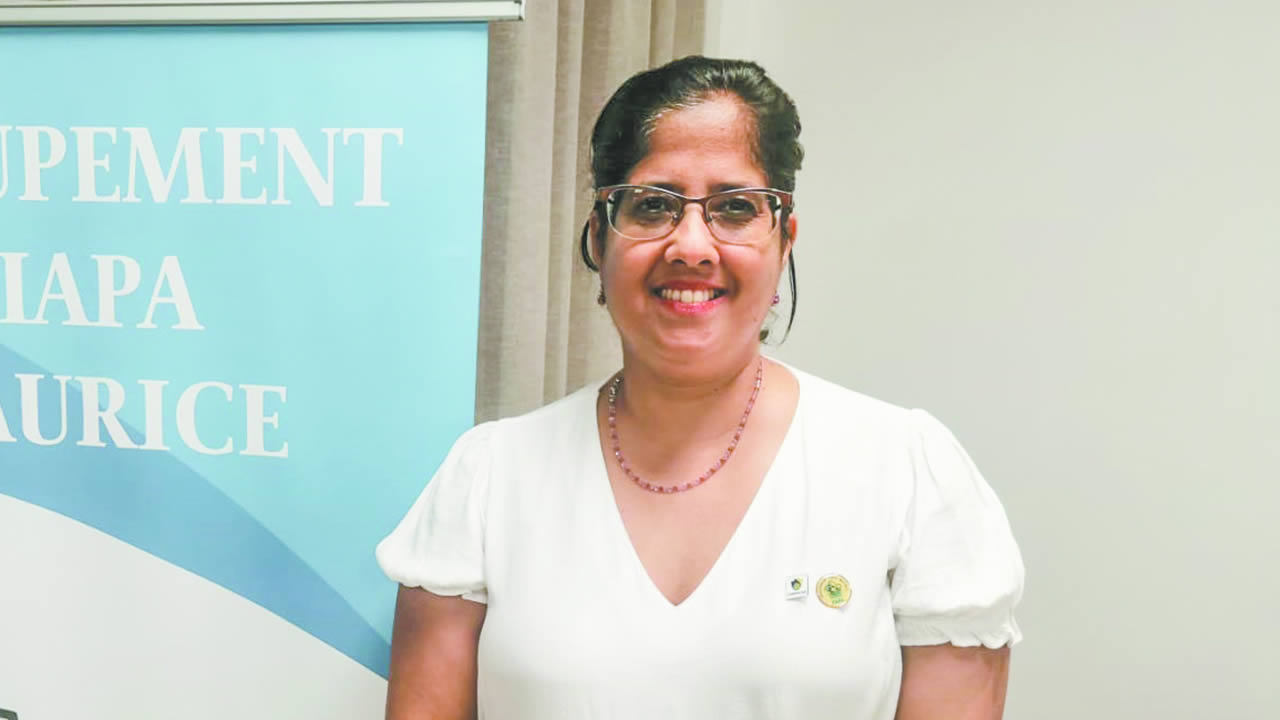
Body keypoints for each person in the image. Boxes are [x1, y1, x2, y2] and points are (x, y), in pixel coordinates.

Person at [376, 56, 1024, 720]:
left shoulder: (906, 472)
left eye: (735, 208)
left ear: (785, 240)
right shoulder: (489, 478)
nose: (691, 246)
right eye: (653, 205)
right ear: (598, 237)